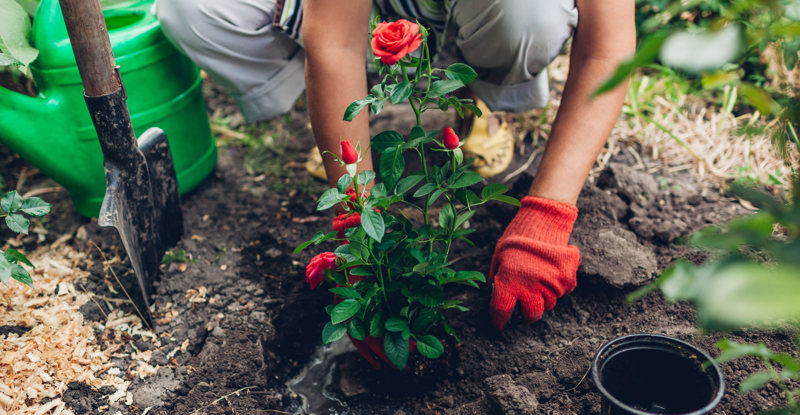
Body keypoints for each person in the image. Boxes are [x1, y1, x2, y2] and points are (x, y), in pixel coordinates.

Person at [154, 0, 636, 330]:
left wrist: (547, 214)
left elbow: (608, 48)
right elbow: (336, 40)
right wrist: (355, 221)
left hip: (488, 14)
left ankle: (473, 105)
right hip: (373, 14)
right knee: (191, 8)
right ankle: (347, 120)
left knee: (525, 13)